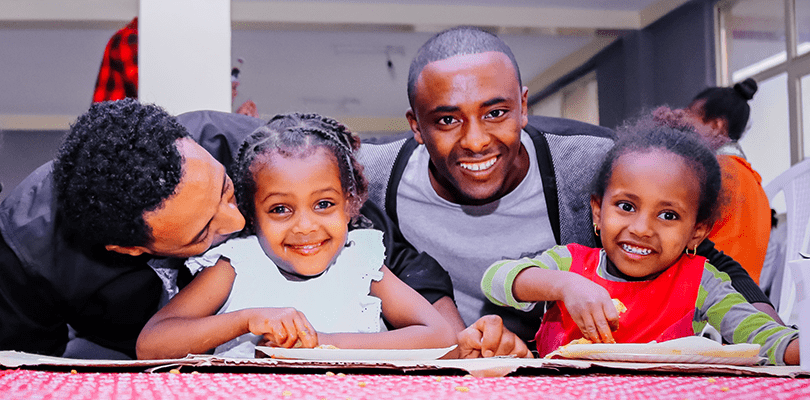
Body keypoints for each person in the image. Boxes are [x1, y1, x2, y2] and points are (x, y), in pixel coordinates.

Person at [357, 26, 777, 348]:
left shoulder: (588, 164)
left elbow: (697, 253)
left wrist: (773, 335)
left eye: (496, 112)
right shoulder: (369, 178)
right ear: (415, 126)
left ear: (523, 106)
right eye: (447, 120)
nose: (476, 140)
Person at [0, 99, 453, 359]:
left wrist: (458, 341)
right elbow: (29, 369)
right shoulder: (31, 254)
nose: (239, 223)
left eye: (224, 190)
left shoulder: (252, 152)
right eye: (202, 234)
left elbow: (388, 248)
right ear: (129, 248)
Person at [136, 113, 456, 359]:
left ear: (351, 203)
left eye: (324, 204)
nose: (305, 226)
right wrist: (246, 320)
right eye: (279, 210)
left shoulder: (360, 261)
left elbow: (441, 337)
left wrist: (324, 345)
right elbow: (152, 344)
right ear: (251, 213)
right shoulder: (238, 264)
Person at [481, 118, 799, 365]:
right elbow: (495, 279)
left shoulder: (701, 282)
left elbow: (765, 339)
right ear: (597, 211)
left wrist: (795, 347)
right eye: (627, 207)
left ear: (697, 232)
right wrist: (565, 285)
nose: (642, 228)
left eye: (669, 215)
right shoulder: (571, 264)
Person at [681, 79, 771, 284]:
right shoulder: (753, 182)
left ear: (716, 126)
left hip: (704, 298)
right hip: (744, 299)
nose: (682, 125)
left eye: (690, 117)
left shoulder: (711, 174)